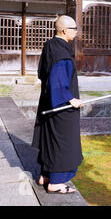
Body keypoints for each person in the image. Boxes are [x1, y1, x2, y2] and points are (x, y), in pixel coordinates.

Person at [32, 15, 84, 194]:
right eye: (74, 29)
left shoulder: (50, 45)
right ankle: (56, 182)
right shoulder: (61, 53)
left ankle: (45, 175)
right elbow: (57, 82)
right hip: (60, 106)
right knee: (63, 142)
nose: (76, 32)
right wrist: (72, 99)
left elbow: (42, 73)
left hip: (48, 103)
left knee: (49, 139)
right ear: (64, 30)